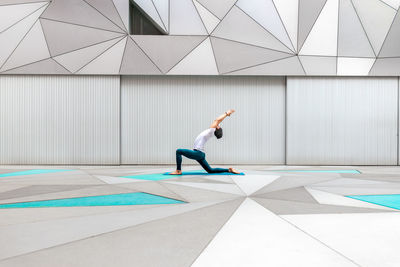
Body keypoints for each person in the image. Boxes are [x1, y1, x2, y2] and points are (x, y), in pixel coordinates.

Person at [169, 109, 240, 175]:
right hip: (200, 154)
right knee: (210, 170)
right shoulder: (210, 132)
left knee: (178, 151)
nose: (217, 124)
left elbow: (217, 120)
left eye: (218, 126)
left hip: (198, 153)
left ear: (217, 129)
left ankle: (178, 170)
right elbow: (217, 121)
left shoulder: (211, 130)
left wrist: (226, 113)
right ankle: (229, 170)